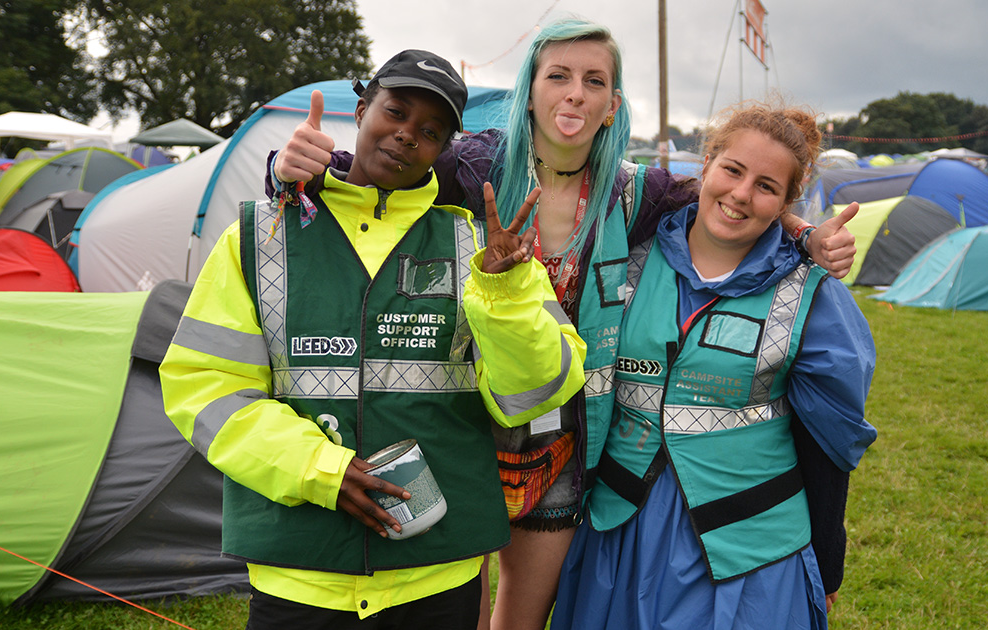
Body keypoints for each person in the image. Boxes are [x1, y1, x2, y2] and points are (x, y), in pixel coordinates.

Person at [267, 19, 859, 630]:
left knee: (519, 619)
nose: (575, 94)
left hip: (561, 434)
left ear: (612, 105)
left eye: (593, 81)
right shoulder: (470, 168)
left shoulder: (633, 193)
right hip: (458, 416)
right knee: (451, 606)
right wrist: (294, 165)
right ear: (530, 90)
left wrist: (807, 235)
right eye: (559, 76)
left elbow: (730, 196)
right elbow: (377, 171)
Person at [159, 49, 587, 629]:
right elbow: (204, 388)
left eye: (430, 130)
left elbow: (539, 390)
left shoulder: (482, 251)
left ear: (444, 149)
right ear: (361, 110)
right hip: (301, 574)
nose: (408, 135)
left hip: (436, 574)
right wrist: (320, 470)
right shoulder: (259, 235)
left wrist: (506, 295)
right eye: (396, 111)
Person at [549, 102, 877, 630]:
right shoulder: (628, 253)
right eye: (732, 170)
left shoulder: (813, 297)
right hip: (620, 533)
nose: (742, 194)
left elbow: (830, 446)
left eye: (767, 187)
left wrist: (828, 558)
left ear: (787, 205)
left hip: (749, 555)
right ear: (705, 165)